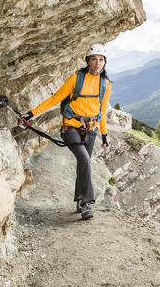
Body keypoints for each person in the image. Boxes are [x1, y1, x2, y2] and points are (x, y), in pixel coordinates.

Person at [23, 44, 111, 220]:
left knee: (83, 163)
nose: (97, 63)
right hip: (70, 127)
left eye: (101, 60)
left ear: (104, 63)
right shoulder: (76, 79)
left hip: (91, 129)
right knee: (85, 159)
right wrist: (33, 113)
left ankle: (79, 200)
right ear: (88, 61)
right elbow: (56, 98)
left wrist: (104, 134)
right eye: (94, 59)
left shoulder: (105, 84)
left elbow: (102, 110)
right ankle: (86, 203)